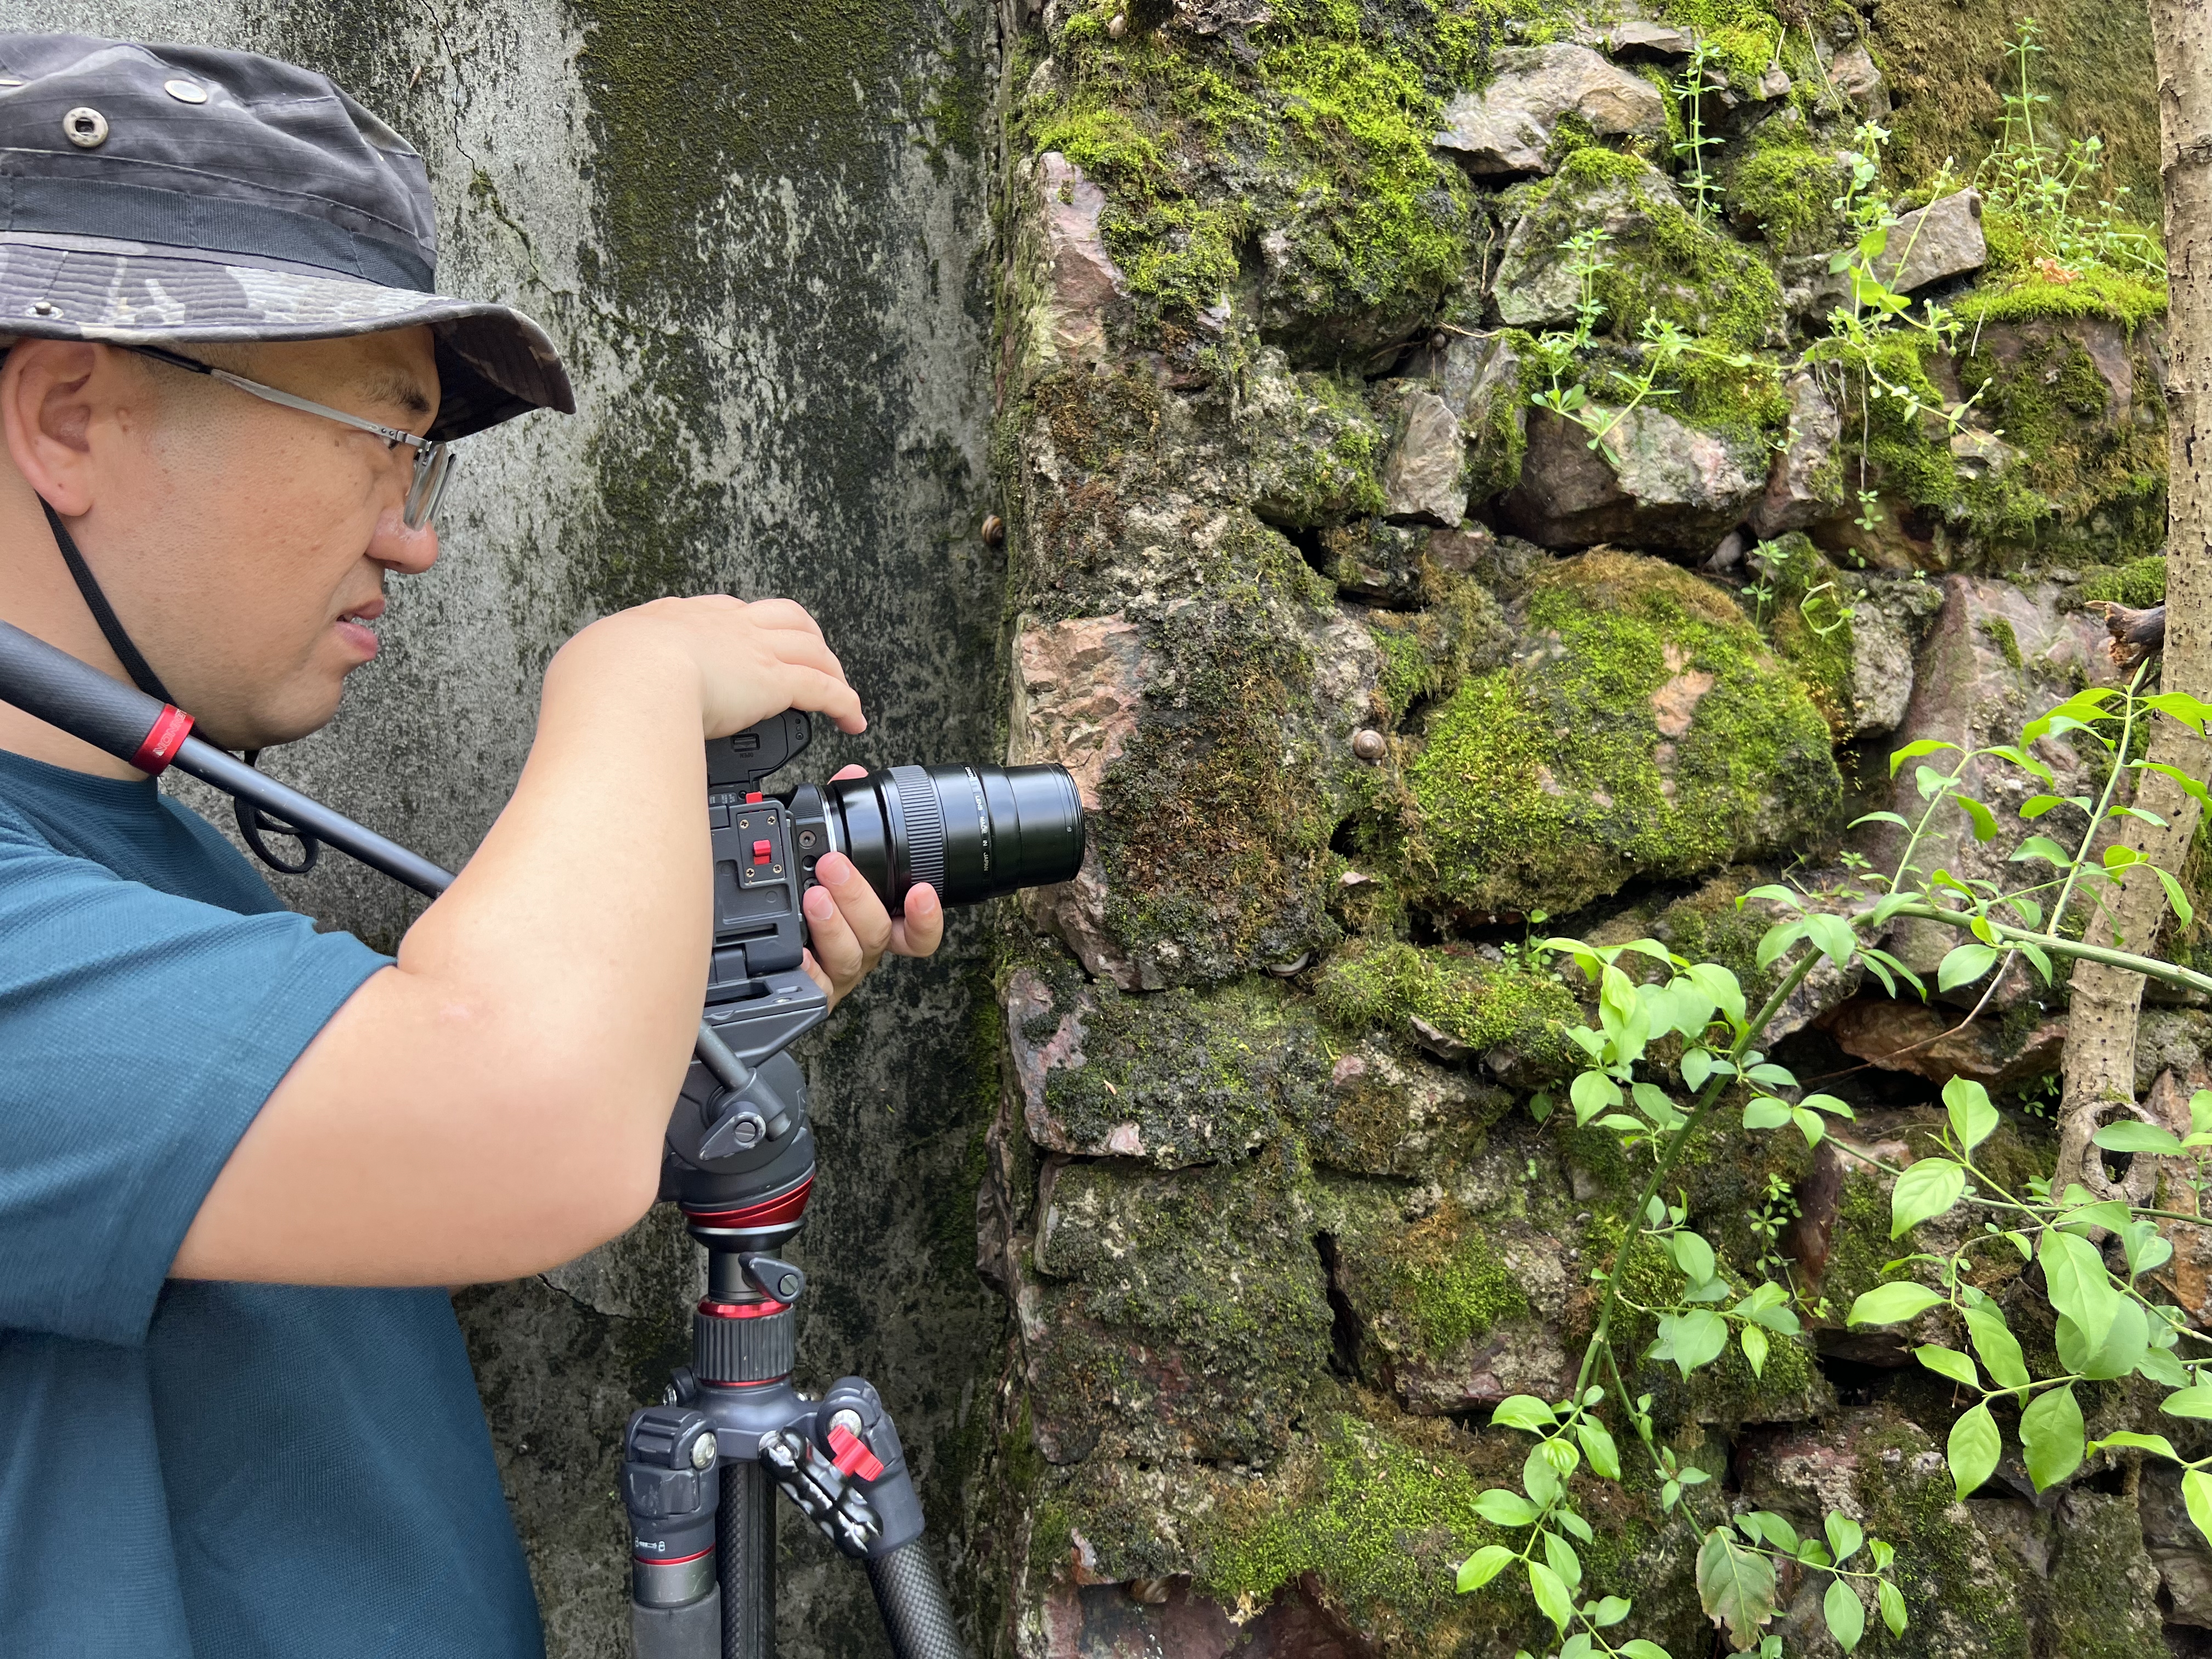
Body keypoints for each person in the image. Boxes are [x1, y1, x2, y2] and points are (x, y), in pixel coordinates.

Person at [0, 33, 944, 1657]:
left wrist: (663, 1022)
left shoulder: (147, 861)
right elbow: (513, 1126)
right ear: (71, 417)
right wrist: (626, 685)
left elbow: (365, 1204)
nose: (415, 533)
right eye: (382, 434)